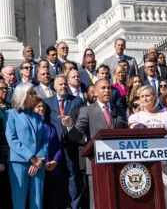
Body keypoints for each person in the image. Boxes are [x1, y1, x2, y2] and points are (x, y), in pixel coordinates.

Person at [67, 79, 127, 209]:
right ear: (95, 92)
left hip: (119, 162)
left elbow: (126, 135)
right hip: (96, 163)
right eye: (103, 88)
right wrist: (69, 126)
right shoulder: (87, 111)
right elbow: (76, 135)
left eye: (109, 88)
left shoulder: (120, 111)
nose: (107, 91)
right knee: (98, 200)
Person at [129, 86, 167, 209]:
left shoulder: (166, 115)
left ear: (154, 97)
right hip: (147, 162)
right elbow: (135, 137)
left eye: (148, 95)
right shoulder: (135, 117)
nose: (145, 99)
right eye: (142, 96)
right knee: (149, 195)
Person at [4, 83, 48, 209]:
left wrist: (39, 159)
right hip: (19, 162)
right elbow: (12, 140)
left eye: (34, 93)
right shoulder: (10, 114)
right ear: (22, 95)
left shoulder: (38, 117)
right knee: (19, 200)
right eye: (31, 93)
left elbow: (45, 140)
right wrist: (31, 158)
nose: (35, 96)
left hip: (39, 163)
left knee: (37, 201)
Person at [44, 75, 85, 209]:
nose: (63, 86)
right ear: (54, 87)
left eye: (65, 84)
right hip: (55, 147)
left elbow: (81, 122)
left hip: (71, 144)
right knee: (57, 178)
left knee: (73, 176)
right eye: (60, 84)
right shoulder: (47, 102)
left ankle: (75, 206)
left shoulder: (77, 101)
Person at [34, 98, 64, 209]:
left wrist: (55, 161)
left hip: (51, 169)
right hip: (36, 168)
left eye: (43, 106)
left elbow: (59, 147)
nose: (41, 109)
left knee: (50, 200)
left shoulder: (51, 127)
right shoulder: (29, 126)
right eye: (38, 106)